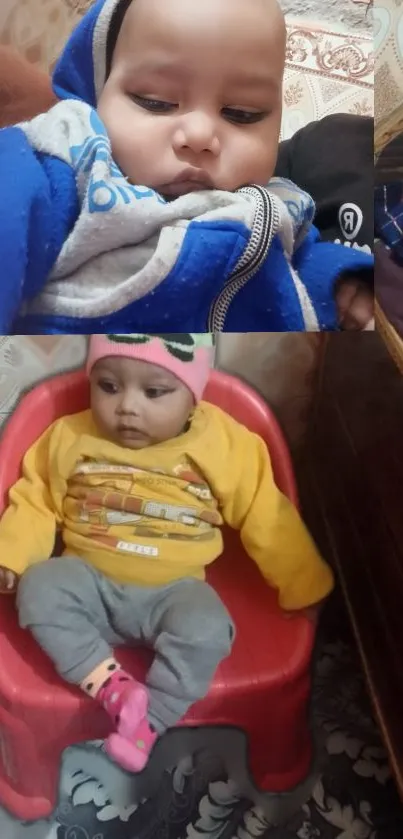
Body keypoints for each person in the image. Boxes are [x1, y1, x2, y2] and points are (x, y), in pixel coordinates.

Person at [0, 333, 334, 772]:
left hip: (176, 591)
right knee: (40, 589)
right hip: (88, 579)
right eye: (108, 386)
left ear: (193, 397)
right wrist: (12, 557)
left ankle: (149, 720)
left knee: (210, 630)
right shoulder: (68, 436)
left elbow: (267, 514)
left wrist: (304, 585)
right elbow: (36, 499)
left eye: (155, 391)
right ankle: (113, 689)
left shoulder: (224, 443)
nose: (127, 407)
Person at [0, 0, 373, 334]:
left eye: (242, 113)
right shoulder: (66, 166)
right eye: (156, 102)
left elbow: (299, 260)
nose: (199, 134)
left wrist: (339, 281)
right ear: (96, 94)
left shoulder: (277, 202)